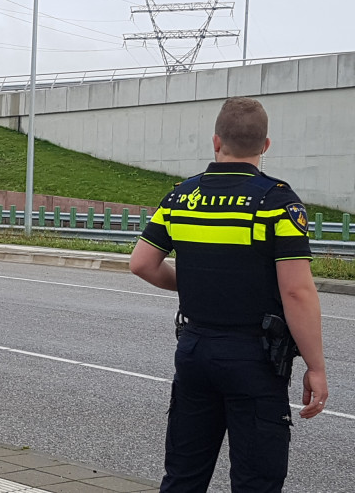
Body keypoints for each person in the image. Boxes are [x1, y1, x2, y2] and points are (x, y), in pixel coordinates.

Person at [129, 97, 328, 492]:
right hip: (254, 359)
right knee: (256, 479)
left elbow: (142, 263)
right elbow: (297, 291)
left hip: (195, 350)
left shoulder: (182, 197)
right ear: (265, 145)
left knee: (184, 474)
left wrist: (194, 283)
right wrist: (316, 366)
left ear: (215, 141)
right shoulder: (277, 202)